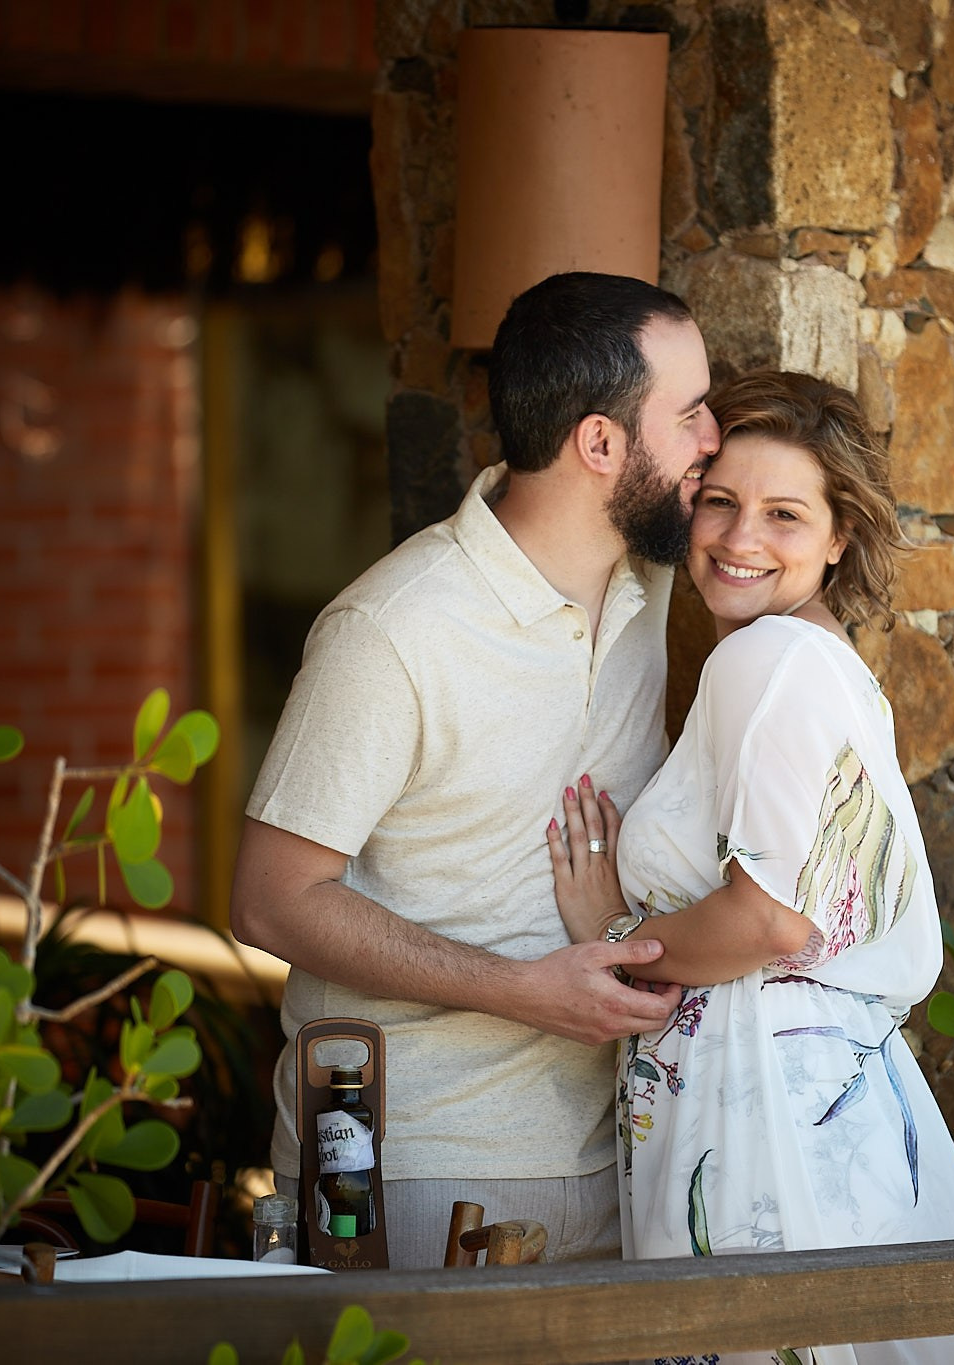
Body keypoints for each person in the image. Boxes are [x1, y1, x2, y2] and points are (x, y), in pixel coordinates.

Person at [229, 272, 720, 1268]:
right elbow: (270, 903)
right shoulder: (393, 633)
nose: (714, 441)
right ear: (598, 445)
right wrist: (519, 989)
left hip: (619, 1157)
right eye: (693, 414)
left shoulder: (653, 578)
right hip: (414, 1170)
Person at [547, 372, 954, 1364]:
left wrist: (613, 936)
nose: (738, 539)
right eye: (718, 502)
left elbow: (770, 922)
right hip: (820, 1101)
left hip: (758, 1108)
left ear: (838, 536)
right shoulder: (824, 663)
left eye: (783, 514)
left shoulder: (767, 662)